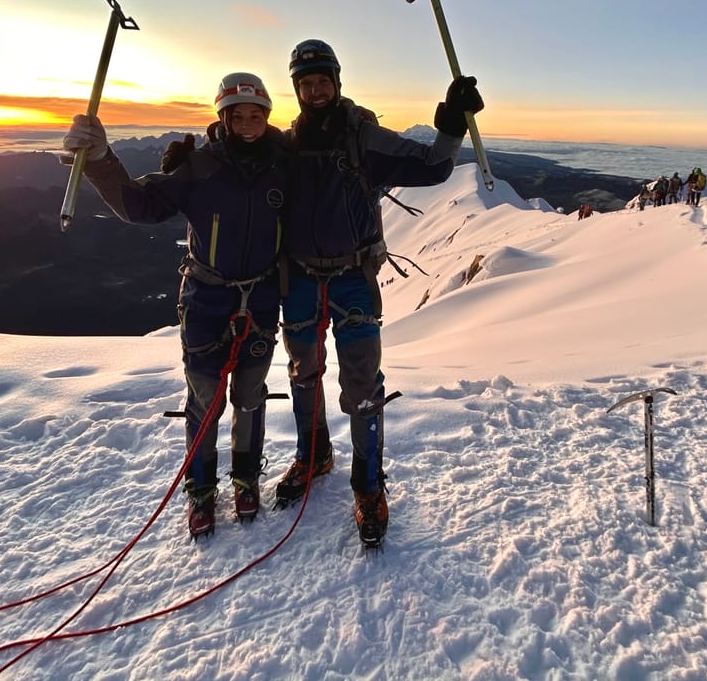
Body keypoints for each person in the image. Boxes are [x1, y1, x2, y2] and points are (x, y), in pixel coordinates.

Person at [275, 38, 482, 547]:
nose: (316, 90)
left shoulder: (363, 137)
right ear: (297, 89)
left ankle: (367, 486)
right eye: (307, 83)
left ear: (337, 82)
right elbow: (240, 163)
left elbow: (433, 165)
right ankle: (313, 455)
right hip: (300, 278)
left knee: (363, 386)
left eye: (324, 81)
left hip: (352, 279)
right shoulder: (285, 144)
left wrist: (452, 121)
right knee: (303, 374)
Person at [62, 73, 287, 539]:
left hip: (261, 298)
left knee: (249, 395)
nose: (247, 124)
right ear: (222, 118)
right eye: (237, 115)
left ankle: (246, 478)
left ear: (267, 118)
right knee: (205, 399)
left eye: (256, 115)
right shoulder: (199, 168)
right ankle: (200, 489)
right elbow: (140, 206)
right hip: (207, 298)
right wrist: (101, 159)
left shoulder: (284, 164)